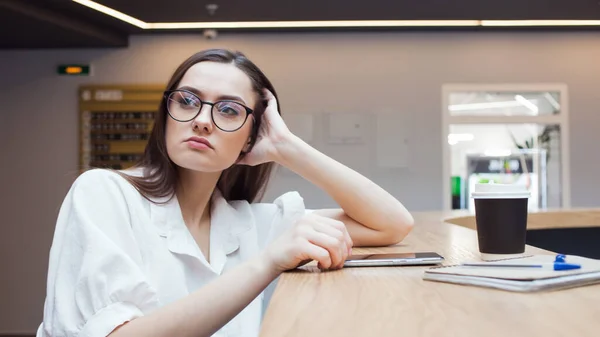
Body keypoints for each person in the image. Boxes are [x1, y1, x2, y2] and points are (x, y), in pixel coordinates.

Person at [37, 49, 414, 337]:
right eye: (186, 101)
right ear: (165, 114)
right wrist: (267, 262)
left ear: (252, 135)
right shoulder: (105, 193)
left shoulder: (249, 223)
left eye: (229, 110)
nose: (201, 120)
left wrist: (285, 146)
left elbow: (392, 224)